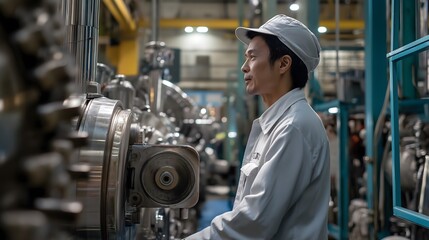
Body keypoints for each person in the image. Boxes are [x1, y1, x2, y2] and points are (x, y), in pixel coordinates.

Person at [186, 14, 330, 239]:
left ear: (283, 64)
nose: (244, 67)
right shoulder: (277, 123)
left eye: (252, 57)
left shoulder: (293, 127)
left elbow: (254, 222)